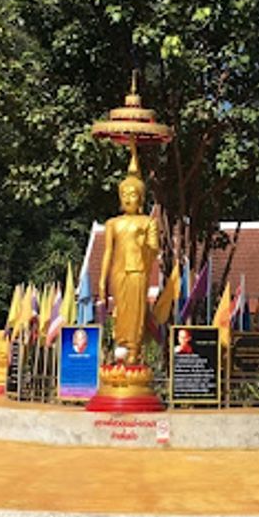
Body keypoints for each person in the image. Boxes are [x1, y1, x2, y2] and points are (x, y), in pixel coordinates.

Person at [99, 146, 159, 365]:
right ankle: (121, 347)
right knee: (121, 312)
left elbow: (154, 250)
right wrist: (101, 281)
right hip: (118, 272)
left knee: (135, 312)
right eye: (124, 194)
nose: (127, 198)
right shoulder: (112, 223)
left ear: (141, 198)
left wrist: (145, 246)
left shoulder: (148, 222)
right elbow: (107, 252)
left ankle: (134, 350)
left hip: (137, 271)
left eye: (133, 194)